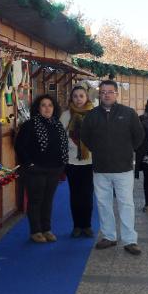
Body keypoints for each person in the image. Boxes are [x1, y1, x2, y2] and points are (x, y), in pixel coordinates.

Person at [81, 80, 145, 255]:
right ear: (99, 94)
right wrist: (99, 150)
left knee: (126, 204)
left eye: (110, 92)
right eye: (103, 92)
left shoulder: (128, 113)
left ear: (117, 94)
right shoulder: (92, 115)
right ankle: (109, 236)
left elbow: (139, 136)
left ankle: (130, 240)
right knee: (103, 203)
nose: (106, 95)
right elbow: (85, 136)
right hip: (100, 168)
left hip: (123, 168)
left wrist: (125, 150)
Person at [15, 94, 68, 243]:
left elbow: (62, 146)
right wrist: (29, 164)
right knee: (35, 201)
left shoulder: (57, 124)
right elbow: (19, 147)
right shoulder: (29, 125)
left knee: (48, 200)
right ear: (38, 108)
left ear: (54, 108)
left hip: (54, 169)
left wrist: (61, 165)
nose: (47, 108)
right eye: (43, 105)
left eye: (50, 105)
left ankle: (47, 229)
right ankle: (36, 231)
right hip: (35, 170)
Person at [60, 86, 95, 238]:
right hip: (72, 162)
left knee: (87, 194)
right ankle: (77, 226)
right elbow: (61, 138)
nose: (78, 99)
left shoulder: (94, 115)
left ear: (87, 97)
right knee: (75, 194)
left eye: (81, 96)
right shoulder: (66, 115)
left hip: (89, 162)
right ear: (71, 98)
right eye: (75, 96)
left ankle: (86, 226)